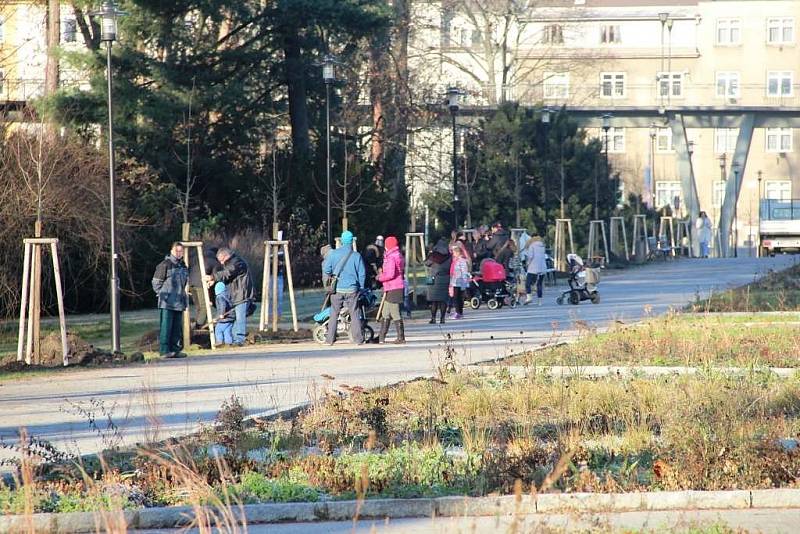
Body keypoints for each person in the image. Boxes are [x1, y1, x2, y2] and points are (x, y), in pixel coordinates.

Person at [322, 231, 366, 345]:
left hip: (337, 289)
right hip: (352, 289)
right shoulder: (357, 256)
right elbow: (362, 274)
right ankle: (358, 339)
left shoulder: (334, 254)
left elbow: (326, 270)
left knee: (334, 314)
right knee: (354, 313)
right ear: (352, 241)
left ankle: (330, 339)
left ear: (341, 241)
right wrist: (360, 287)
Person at [206, 247, 254, 346]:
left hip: (241, 294)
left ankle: (239, 339)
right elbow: (227, 277)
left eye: (221, 260)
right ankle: (235, 338)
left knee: (240, 317)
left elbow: (228, 273)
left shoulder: (237, 262)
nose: (221, 263)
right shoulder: (230, 263)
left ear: (225, 256)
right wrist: (214, 281)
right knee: (237, 317)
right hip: (236, 294)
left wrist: (213, 277)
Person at [152, 242, 189, 358]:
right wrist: (162, 294)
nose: (179, 253)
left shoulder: (183, 265)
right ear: (171, 251)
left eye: (181, 251)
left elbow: (184, 283)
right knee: (166, 328)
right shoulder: (164, 265)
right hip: (167, 302)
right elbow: (156, 283)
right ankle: (164, 351)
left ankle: (175, 350)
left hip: (179, 301)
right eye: (176, 251)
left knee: (177, 328)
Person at [376, 236, 406, 344]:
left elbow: (390, 274)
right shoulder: (398, 255)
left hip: (394, 287)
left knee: (394, 312)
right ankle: (381, 337)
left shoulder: (391, 257)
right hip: (393, 287)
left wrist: (380, 277)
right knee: (385, 312)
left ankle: (401, 337)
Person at [187, 246, 219, 330]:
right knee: (204, 306)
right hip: (200, 284)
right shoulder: (214, 261)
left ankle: (203, 323)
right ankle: (198, 326)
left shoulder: (196, 258)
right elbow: (214, 277)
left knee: (199, 306)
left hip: (190, 284)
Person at [425, 239, 451, 324]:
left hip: (433, 279)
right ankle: (442, 318)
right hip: (445, 279)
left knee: (434, 301)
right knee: (443, 300)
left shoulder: (433, 256)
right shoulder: (449, 256)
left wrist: (429, 253)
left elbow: (426, 263)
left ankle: (433, 318)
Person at [523, 236, 548, 306]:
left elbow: (530, 256)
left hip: (533, 268)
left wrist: (527, 264)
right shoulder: (542, 246)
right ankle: (540, 301)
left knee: (527, 283)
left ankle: (529, 297)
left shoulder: (532, 246)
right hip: (542, 268)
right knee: (539, 284)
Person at [449, 242, 471, 320]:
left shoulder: (462, 261)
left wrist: (464, 283)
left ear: (458, 252)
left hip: (460, 282)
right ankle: (458, 312)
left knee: (457, 298)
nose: (453, 254)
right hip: (455, 281)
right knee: (456, 298)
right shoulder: (456, 260)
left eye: (454, 252)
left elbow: (464, 272)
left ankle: (458, 312)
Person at [214, 282, 235, 346]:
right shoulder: (227, 295)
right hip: (231, 317)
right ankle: (228, 342)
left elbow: (222, 305)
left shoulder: (220, 296)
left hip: (224, 318)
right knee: (227, 331)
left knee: (218, 329)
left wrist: (221, 314)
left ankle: (219, 341)